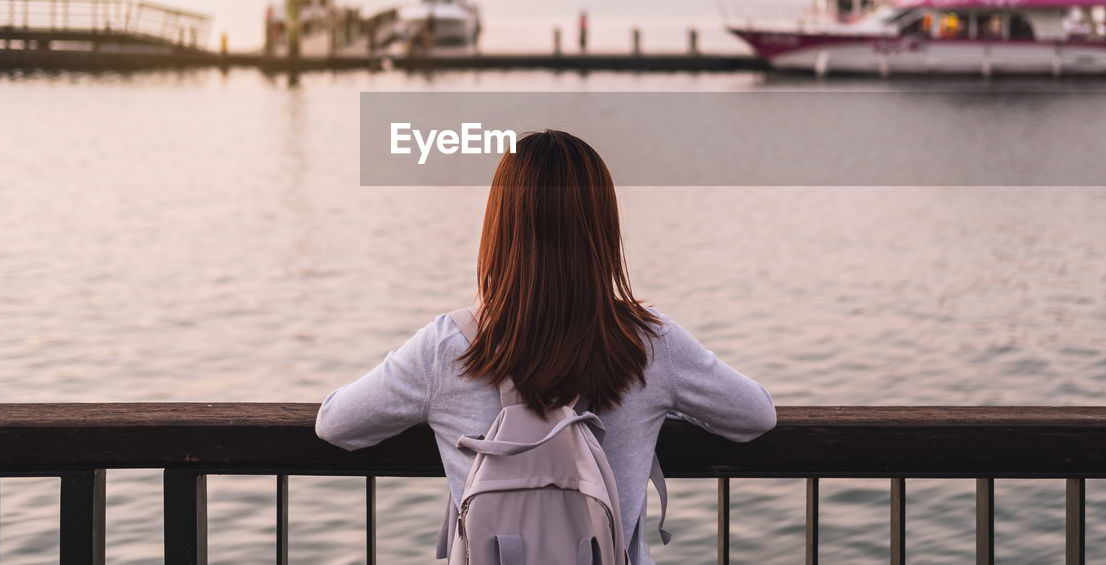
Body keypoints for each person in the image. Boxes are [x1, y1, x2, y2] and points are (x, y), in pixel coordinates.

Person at [315, 130, 776, 564]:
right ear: (602, 229)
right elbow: (755, 415)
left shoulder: (447, 348)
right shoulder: (650, 345)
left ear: (500, 228)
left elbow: (336, 424)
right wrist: (663, 406)